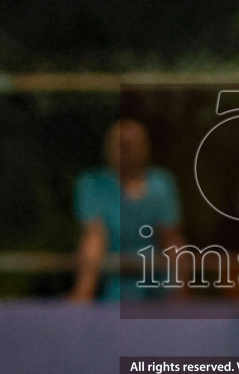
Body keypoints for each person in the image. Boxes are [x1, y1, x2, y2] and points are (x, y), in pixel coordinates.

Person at [70, 119, 183, 301]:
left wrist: (180, 294)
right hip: (113, 282)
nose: (127, 151)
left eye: (131, 145)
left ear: (145, 148)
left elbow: (171, 239)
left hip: (157, 281)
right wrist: (82, 296)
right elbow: (94, 238)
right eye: (121, 145)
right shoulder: (92, 184)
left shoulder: (161, 183)